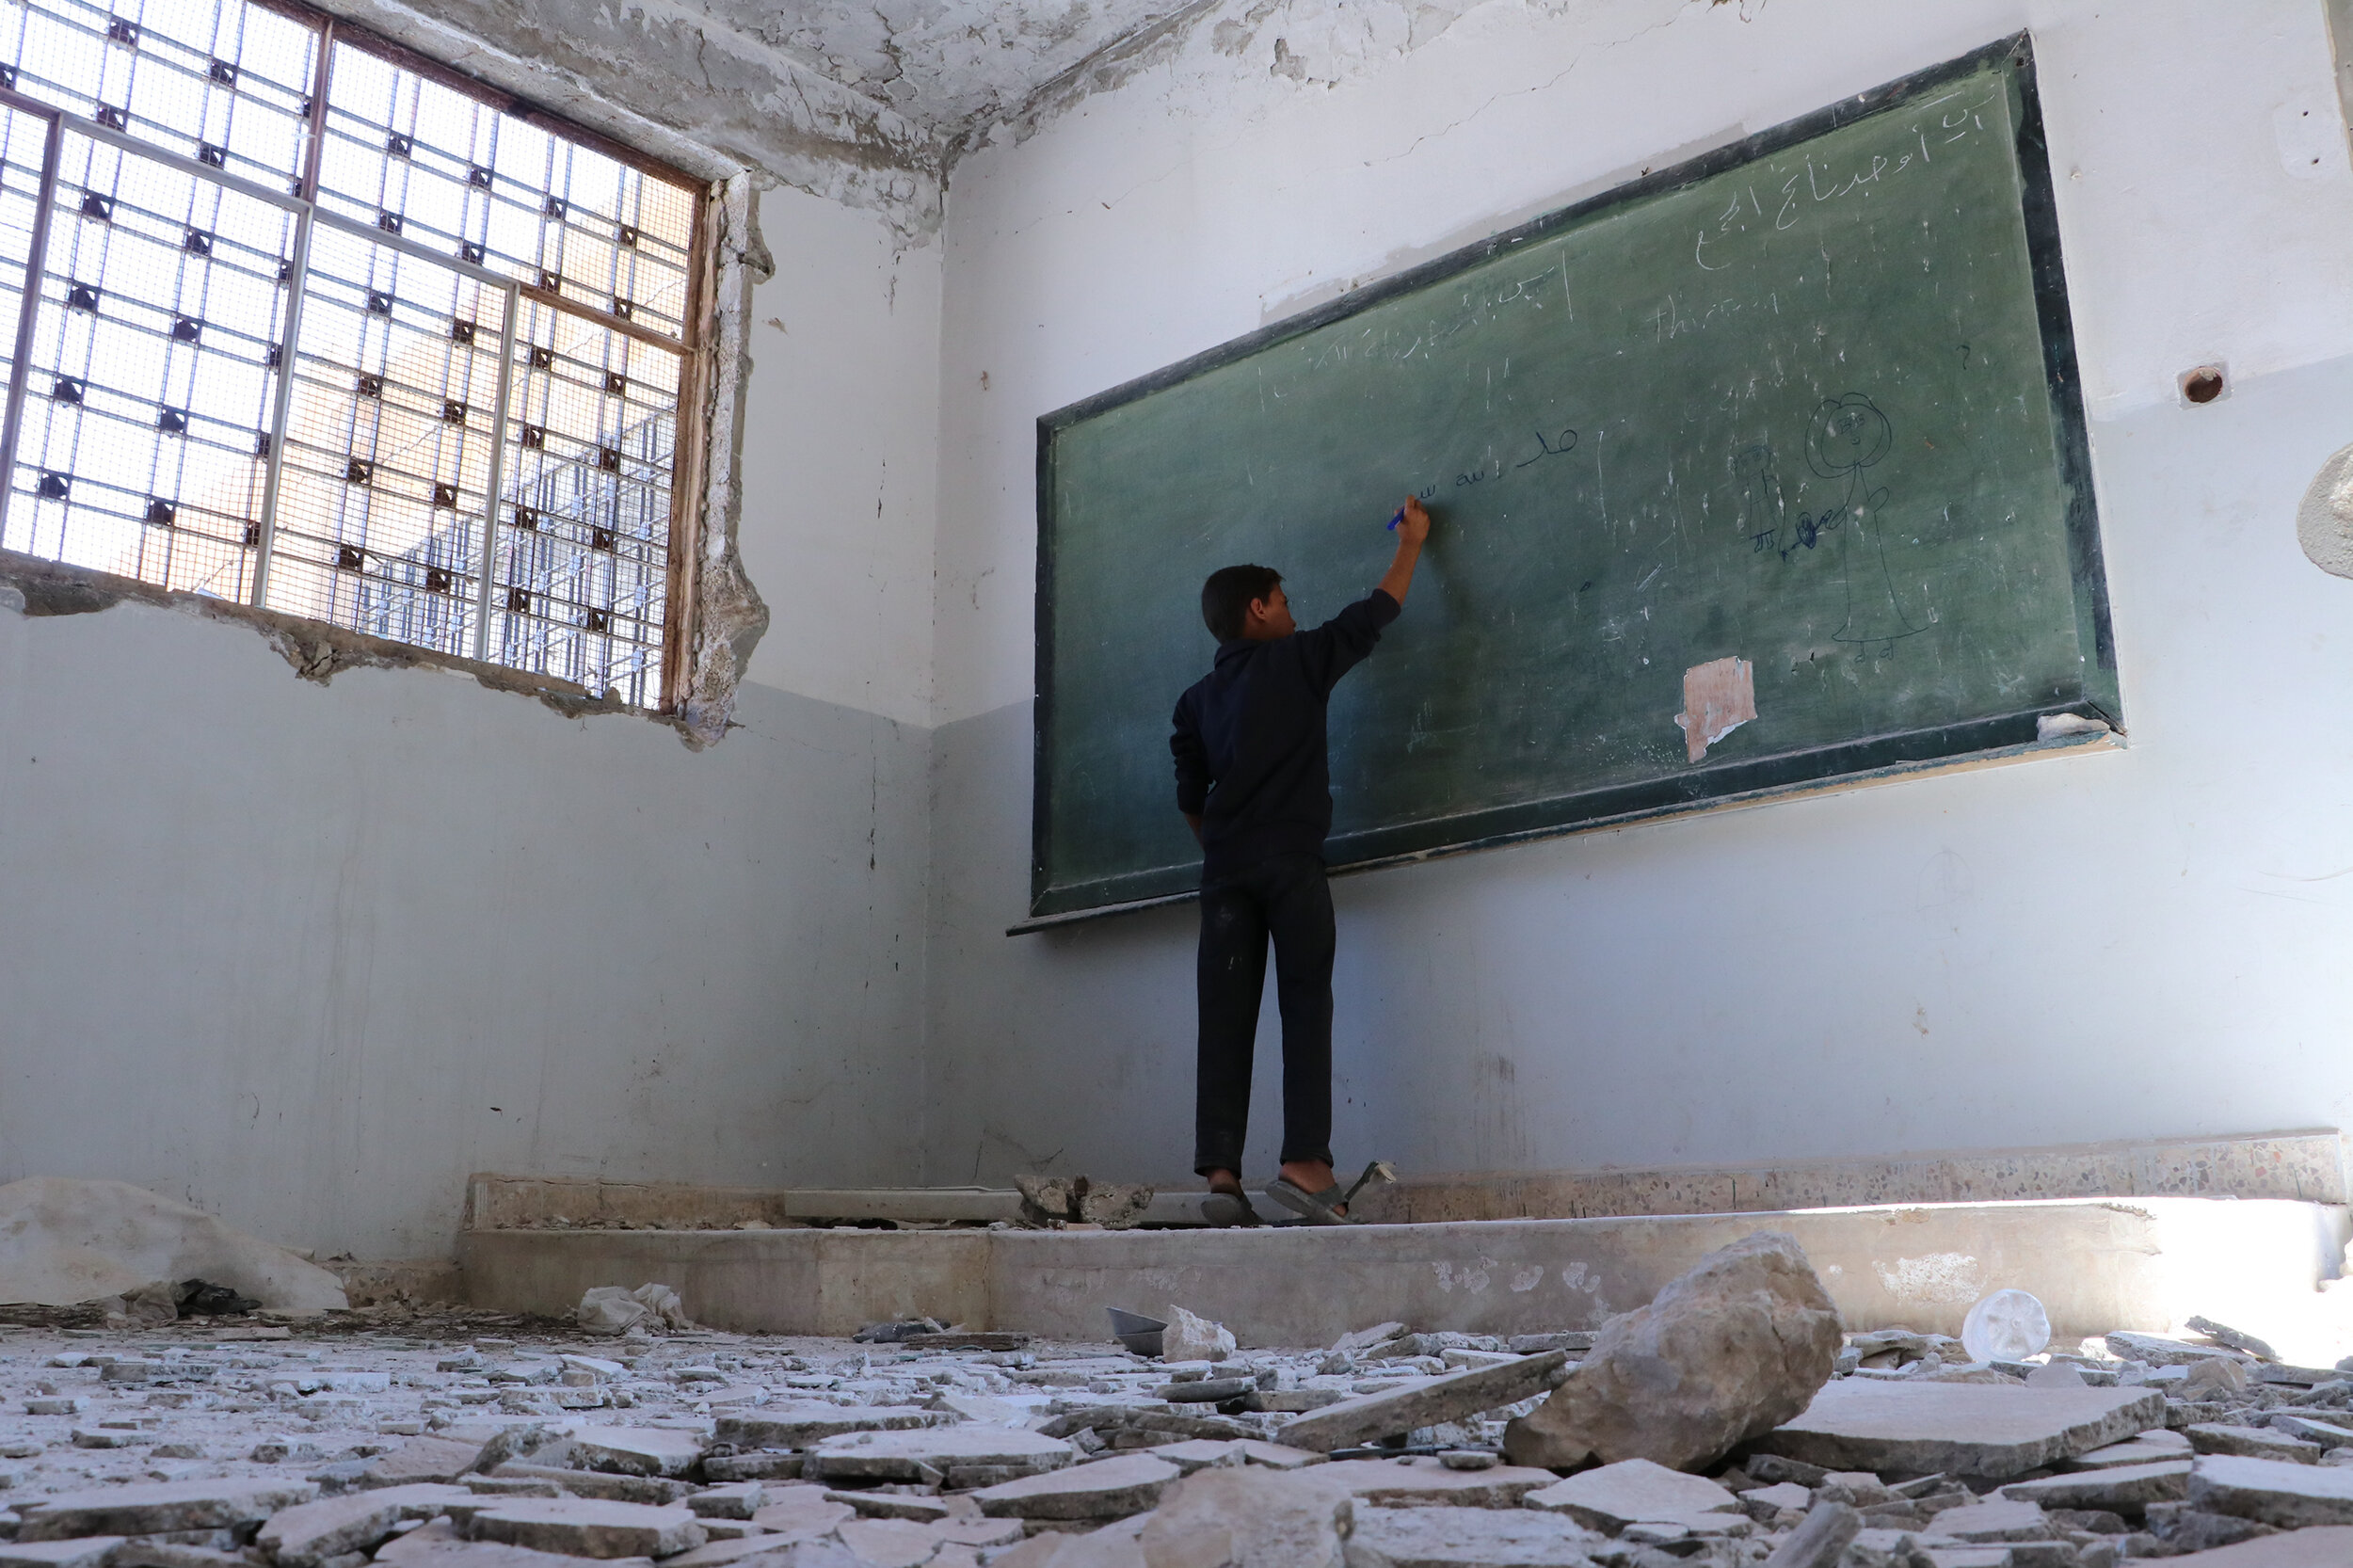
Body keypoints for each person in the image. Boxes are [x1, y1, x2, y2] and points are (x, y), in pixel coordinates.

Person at [1168, 496, 1432, 1225]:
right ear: (1258, 610)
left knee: (1224, 1019)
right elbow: (1375, 613)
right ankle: (1305, 1166)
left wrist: (1226, 850)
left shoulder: (1194, 703)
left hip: (1223, 871)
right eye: (1282, 600)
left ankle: (1223, 1177)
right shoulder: (1299, 660)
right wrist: (1413, 544)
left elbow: (1190, 794)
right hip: (1290, 862)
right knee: (1304, 1002)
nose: (1291, 610)